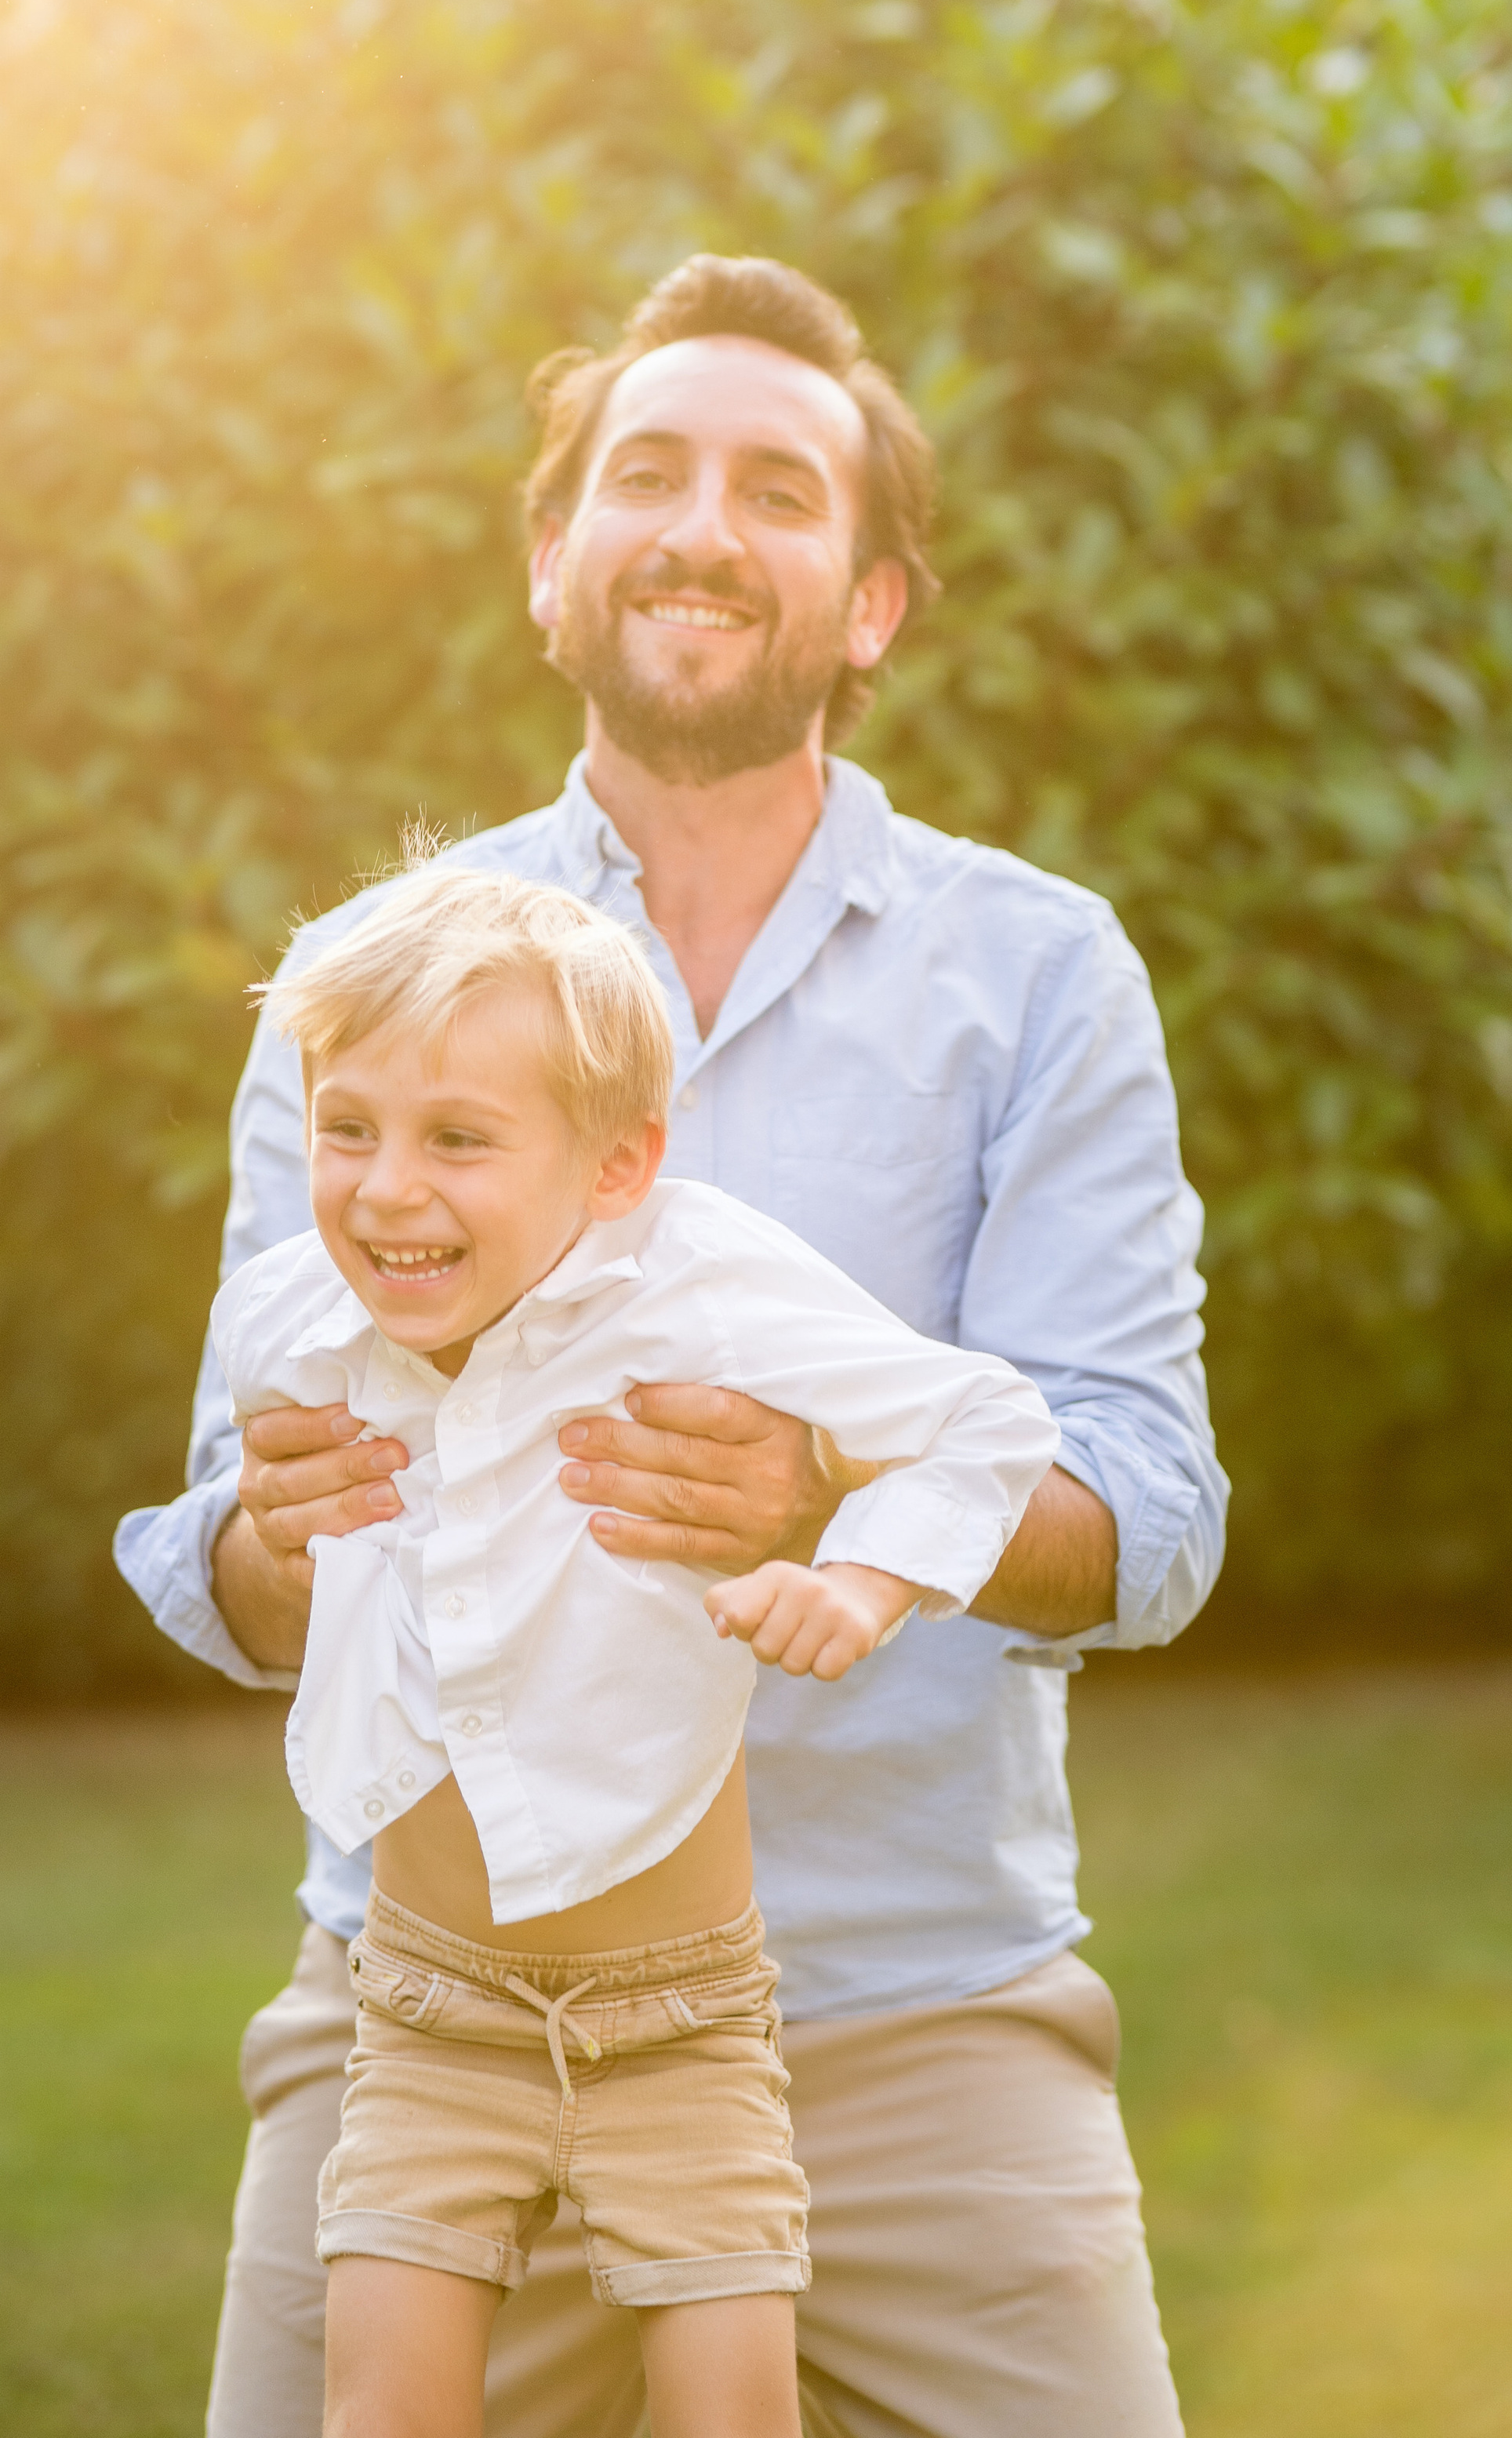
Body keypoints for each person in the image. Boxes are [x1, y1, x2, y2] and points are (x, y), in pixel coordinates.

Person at [117, 253, 1226, 2438]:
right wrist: (286, 1524)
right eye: (647, 472)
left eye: (779, 489)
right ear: (555, 566)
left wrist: (836, 1503)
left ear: (874, 599)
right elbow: (230, 1565)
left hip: (917, 2015)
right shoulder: (361, 988)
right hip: (441, 1995)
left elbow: (1155, 1521)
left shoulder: (1041, 976)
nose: (703, 525)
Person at [202, 860, 1059, 2438]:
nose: (385, 1190)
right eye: (346, 1129)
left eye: (457, 1139)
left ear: (617, 1167)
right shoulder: (294, 1322)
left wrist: (859, 1575)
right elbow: (249, 1524)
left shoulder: (699, 1283)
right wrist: (272, 1528)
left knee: (730, 2417)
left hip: (675, 2024)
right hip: (422, 2007)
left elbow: (983, 1422)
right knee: (375, 2412)